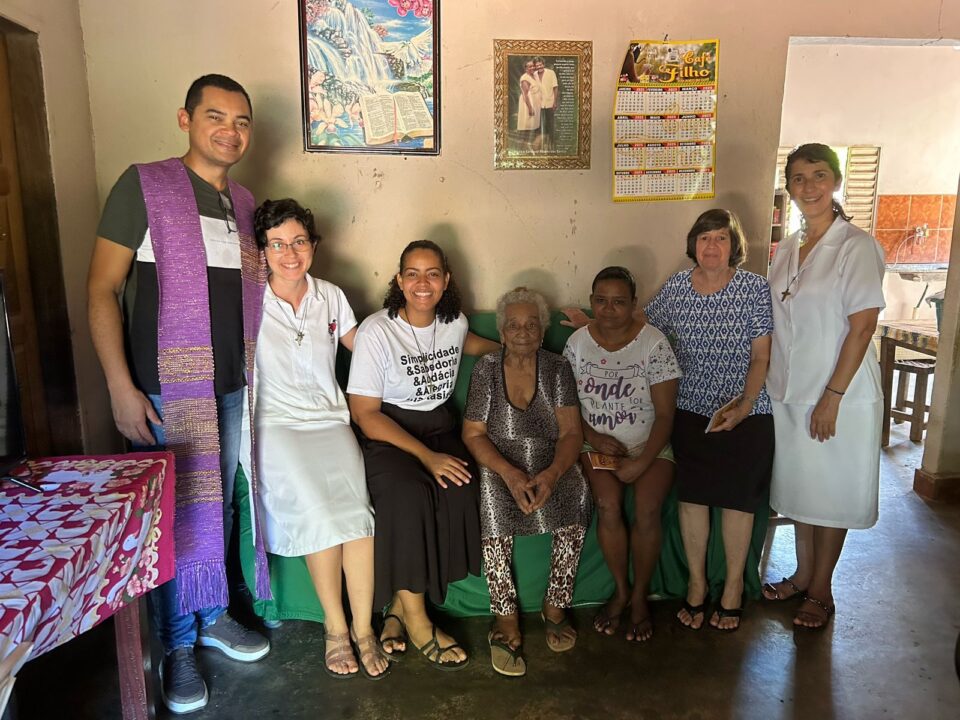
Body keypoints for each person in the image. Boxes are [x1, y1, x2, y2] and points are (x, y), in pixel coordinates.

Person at [87, 74, 270, 714]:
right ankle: (178, 645)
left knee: (215, 510)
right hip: (165, 390)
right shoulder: (144, 186)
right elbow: (102, 289)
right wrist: (120, 387)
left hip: (231, 387)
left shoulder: (244, 203)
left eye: (241, 121)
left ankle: (212, 616)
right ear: (185, 119)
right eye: (215, 116)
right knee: (172, 521)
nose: (230, 131)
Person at [244, 198, 388, 679]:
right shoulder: (249, 301)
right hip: (277, 425)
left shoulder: (330, 296)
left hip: (330, 420)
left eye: (299, 241)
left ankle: (364, 629)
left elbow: (366, 349)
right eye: (277, 244)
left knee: (358, 517)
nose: (290, 254)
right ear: (262, 250)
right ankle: (336, 629)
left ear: (314, 245)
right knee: (322, 514)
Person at [347, 240, 500, 670]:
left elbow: (469, 343)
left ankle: (398, 608)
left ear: (446, 280)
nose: (422, 283)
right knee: (408, 494)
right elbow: (365, 414)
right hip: (387, 433)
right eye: (412, 273)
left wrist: (518, 350)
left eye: (432, 273)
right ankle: (418, 622)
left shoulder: (454, 322)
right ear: (399, 280)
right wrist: (425, 457)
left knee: (459, 489)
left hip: (440, 427)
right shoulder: (377, 331)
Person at [763, 143, 885, 629]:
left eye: (818, 175)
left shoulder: (856, 246)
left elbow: (863, 326)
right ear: (789, 187)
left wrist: (832, 397)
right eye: (798, 177)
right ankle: (801, 575)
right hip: (790, 390)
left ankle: (821, 590)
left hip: (839, 394)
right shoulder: (789, 246)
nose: (808, 186)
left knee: (831, 494)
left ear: (835, 181)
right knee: (803, 491)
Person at [644, 209, 774, 633]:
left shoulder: (754, 288)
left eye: (720, 238)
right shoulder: (677, 287)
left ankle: (733, 588)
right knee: (693, 499)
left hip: (748, 411)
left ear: (734, 245)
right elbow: (644, 326)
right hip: (690, 408)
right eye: (704, 238)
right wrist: (594, 323)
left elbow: (761, 356)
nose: (712, 246)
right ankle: (697, 585)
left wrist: (744, 405)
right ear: (693, 245)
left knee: (738, 501)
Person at [462, 287, 591, 677]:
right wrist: (510, 473)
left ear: (542, 331)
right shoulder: (487, 368)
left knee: (576, 496)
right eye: (514, 325)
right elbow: (473, 434)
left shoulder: (557, 368)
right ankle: (505, 616)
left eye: (531, 325)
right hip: (499, 461)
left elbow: (571, 434)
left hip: (550, 459)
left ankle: (556, 604)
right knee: (491, 506)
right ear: (501, 331)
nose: (522, 332)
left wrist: (551, 474)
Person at [564, 267, 681, 643]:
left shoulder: (653, 343)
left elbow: (665, 415)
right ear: (591, 301)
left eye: (618, 302)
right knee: (608, 504)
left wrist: (642, 461)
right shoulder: (578, 344)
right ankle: (620, 590)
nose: (609, 309)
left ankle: (640, 596)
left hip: (650, 446)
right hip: (595, 444)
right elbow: (567, 406)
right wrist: (594, 437)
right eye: (601, 300)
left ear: (633, 303)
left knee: (647, 508)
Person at [516, 59, 542, 150]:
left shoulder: (534, 76)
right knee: (526, 126)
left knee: (533, 126)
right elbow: (525, 95)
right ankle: (521, 148)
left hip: (535, 104)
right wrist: (530, 108)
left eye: (533, 66)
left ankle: (531, 147)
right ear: (526, 68)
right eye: (530, 66)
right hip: (527, 105)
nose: (532, 68)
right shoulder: (525, 78)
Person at [535, 57, 559, 152]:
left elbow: (555, 87)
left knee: (550, 124)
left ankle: (552, 145)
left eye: (540, 64)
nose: (539, 67)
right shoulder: (534, 74)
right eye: (537, 65)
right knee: (540, 125)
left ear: (543, 64)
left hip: (549, 102)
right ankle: (542, 145)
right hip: (539, 104)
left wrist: (555, 102)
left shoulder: (551, 73)